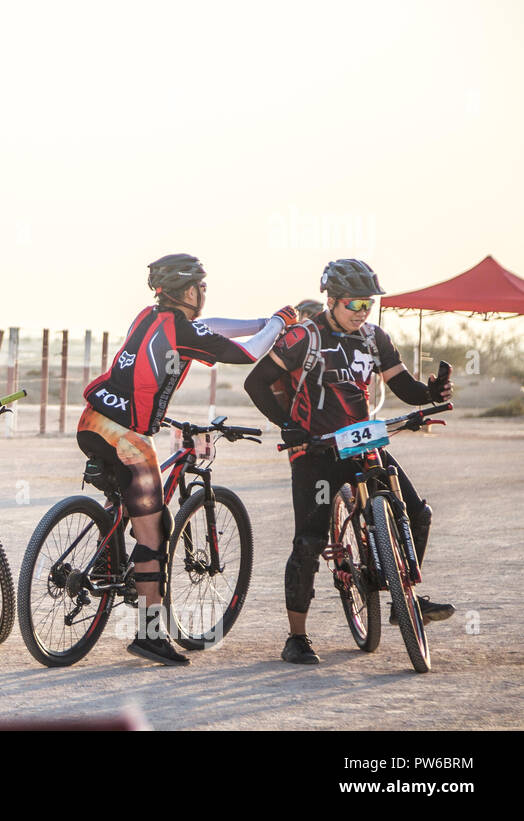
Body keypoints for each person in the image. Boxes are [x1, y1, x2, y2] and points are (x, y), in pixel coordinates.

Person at [78, 253, 296, 666]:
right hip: (126, 435)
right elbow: (249, 354)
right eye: (203, 287)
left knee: (134, 507)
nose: (206, 293)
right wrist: (279, 326)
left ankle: (110, 563)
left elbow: (212, 328)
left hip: (90, 421)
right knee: (153, 534)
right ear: (189, 291)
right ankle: (149, 635)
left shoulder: (149, 317)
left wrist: (265, 319)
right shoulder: (180, 331)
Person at [243, 259, 455, 665]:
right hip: (315, 450)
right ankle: (297, 638)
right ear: (332, 300)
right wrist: (288, 426)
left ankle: (401, 595)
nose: (363, 313)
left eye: (368, 305)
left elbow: (403, 386)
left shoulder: (375, 338)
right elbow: (255, 382)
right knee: (309, 543)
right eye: (355, 305)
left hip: (362, 441)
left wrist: (429, 393)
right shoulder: (304, 337)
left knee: (417, 512)